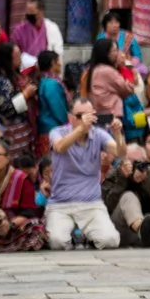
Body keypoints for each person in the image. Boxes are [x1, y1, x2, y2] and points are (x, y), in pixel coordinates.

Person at [45, 98, 122, 249]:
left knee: (110, 241)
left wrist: (118, 134)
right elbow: (60, 147)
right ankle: (76, 236)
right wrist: (81, 128)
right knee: (57, 242)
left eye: (90, 115)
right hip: (61, 204)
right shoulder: (57, 132)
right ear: (70, 117)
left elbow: (120, 152)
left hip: (91, 203)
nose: (86, 120)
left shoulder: (99, 134)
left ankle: (87, 237)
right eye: (80, 116)